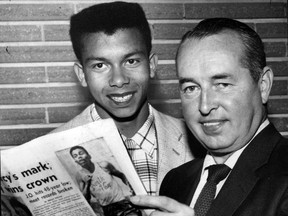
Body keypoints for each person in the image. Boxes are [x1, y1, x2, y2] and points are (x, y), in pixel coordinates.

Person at [129, 18, 288, 216]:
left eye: (222, 85)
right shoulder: (176, 181)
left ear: (263, 85)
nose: (204, 106)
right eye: (191, 88)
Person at [52, 1, 195, 197]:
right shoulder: (51, 151)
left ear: (151, 65)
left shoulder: (198, 140)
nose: (119, 80)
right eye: (100, 66)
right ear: (82, 74)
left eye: (131, 61)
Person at [70, 145, 139, 216]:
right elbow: (85, 199)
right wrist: (87, 184)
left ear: (89, 156)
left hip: (122, 203)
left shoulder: (103, 165)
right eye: (75, 156)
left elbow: (121, 175)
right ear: (75, 161)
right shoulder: (80, 175)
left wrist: (132, 187)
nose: (79, 156)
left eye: (81, 153)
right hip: (107, 208)